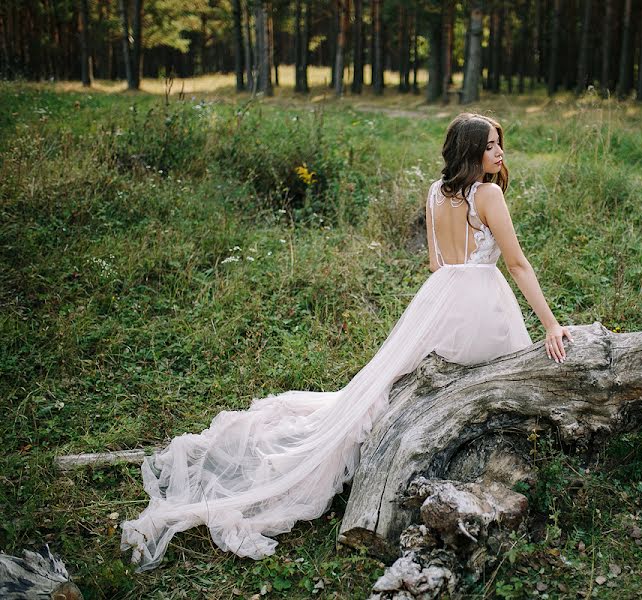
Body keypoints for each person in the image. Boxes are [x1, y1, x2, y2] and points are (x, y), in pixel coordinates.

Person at [121, 112, 572, 572]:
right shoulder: (489, 193)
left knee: (391, 380)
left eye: (501, 143)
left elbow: (437, 264)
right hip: (479, 304)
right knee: (500, 372)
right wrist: (551, 326)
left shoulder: (437, 192)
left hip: (439, 301)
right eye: (492, 145)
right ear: (472, 151)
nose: (500, 152)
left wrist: (450, 297)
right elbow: (516, 264)